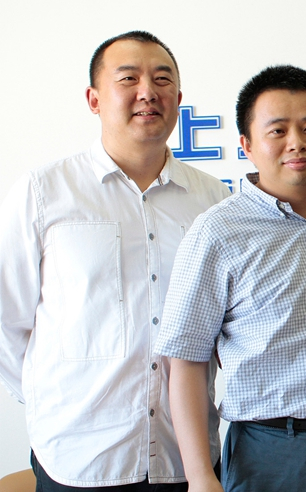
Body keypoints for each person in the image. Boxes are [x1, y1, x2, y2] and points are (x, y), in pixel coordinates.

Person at [0, 31, 231, 490]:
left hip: (184, 458)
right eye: (128, 78)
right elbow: (8, 319)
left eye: (162, 80)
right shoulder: (44, 192)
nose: (148, 92)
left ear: (178, 98)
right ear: (94, 99)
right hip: (78, 456)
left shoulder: (213, 200)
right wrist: (52, 401)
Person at [155, 65, 306, 492]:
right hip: (274, 453)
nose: (297, 142)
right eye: (277, 130)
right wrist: (200, 476)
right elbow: (185, 360)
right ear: (247, 144)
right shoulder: (217, 232)